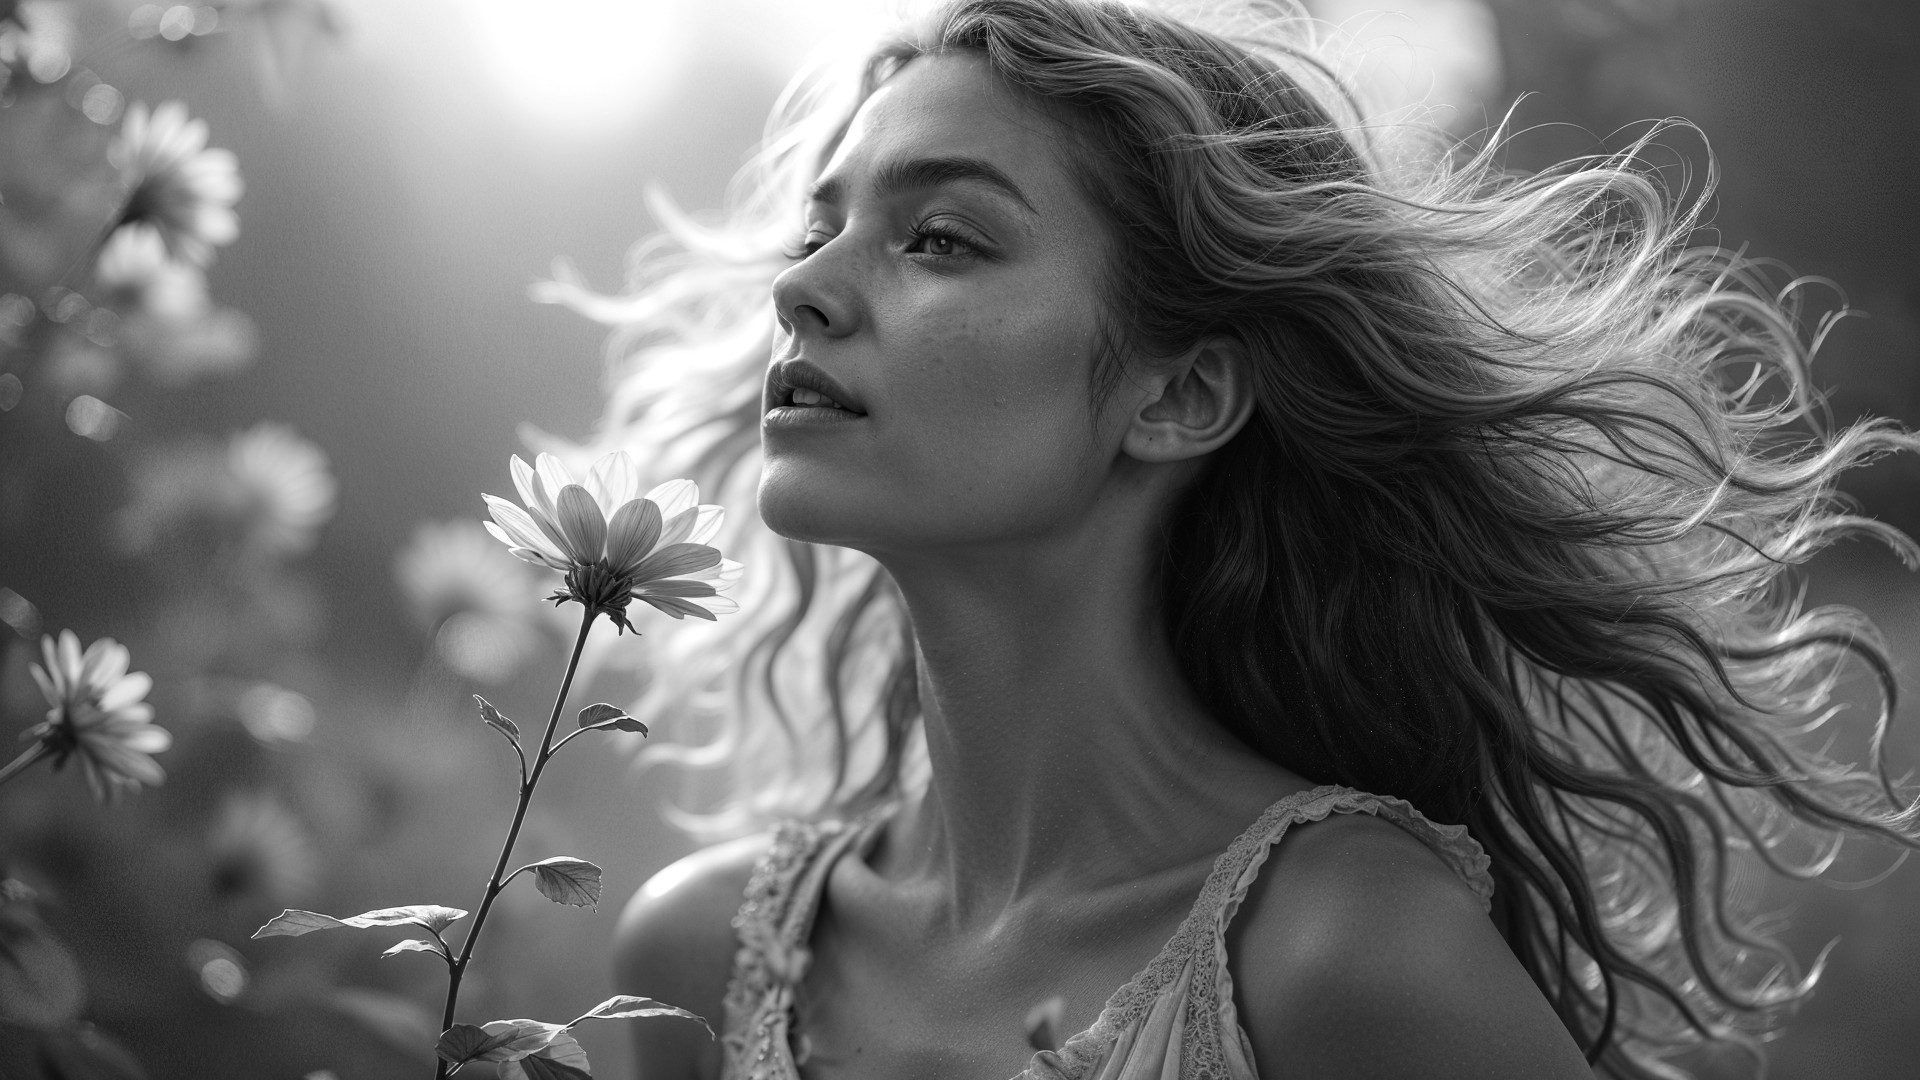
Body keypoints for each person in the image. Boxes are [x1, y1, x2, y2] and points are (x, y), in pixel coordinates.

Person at [553, 1, 1920, 1076]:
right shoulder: (693, 957)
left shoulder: (1344, 957)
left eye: (944, 239)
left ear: (1183, 394)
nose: (799, 288)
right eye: (822, 225)